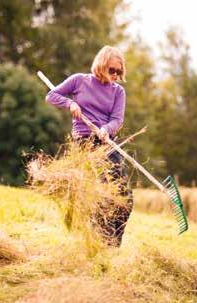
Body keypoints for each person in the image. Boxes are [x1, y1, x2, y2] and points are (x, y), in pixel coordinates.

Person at [45, 45, 133, 247]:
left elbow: (117, 120)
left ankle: (113, 244)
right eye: (112, 70)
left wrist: (106, 129)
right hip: (84, 143)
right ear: (101, 66)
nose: (115, 75)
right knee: (99, 196)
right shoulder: (79, 81)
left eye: (119, 72)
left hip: (106, 143)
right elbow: (51, 95)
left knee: (124, 198)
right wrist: (70, 104)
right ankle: (99, 243)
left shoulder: (118, 92)